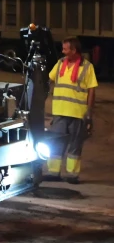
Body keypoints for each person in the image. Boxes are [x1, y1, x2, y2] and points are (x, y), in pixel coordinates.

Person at [46, 36, 97, 183]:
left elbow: (92, 90)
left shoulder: (87, 67)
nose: (63, 51)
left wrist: (89, 112)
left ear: (74, 50)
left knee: (75, 145)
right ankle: (53, 172)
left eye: (65, 48)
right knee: (56, 143)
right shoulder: (60, 63)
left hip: (77, 112)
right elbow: (50, 79)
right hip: (60, 111)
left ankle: (72, 175)